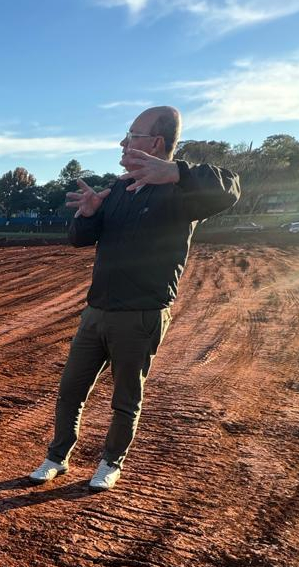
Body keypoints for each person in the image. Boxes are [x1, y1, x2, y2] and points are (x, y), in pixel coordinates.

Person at [29, 106, 240, 490]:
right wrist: (90, 214)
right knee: (70, 390)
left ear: (156, 143)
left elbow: (230, 188)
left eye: (132, 135)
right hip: (96, 312)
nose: (123, 143)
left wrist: (176, 172)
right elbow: (79, 239)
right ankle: (57, 457)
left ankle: (111, 462)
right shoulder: (119, 188)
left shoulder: (183, 192)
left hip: (141, 316)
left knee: (125, 399)